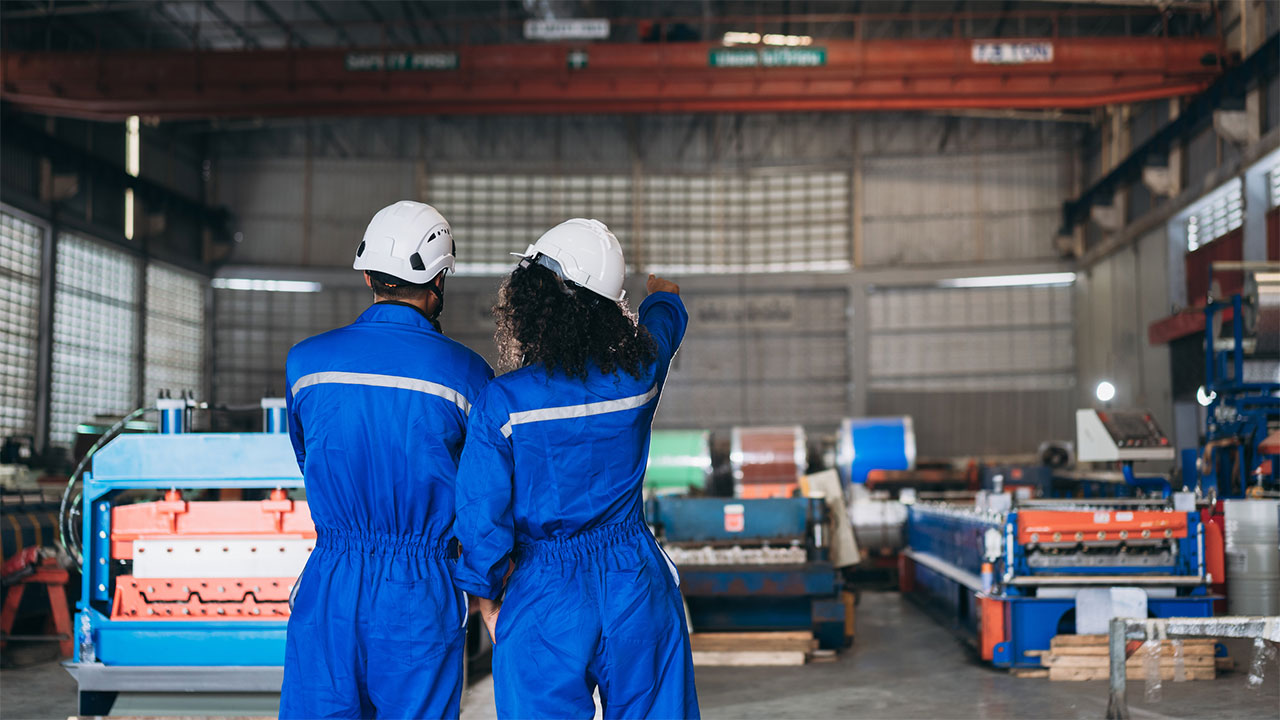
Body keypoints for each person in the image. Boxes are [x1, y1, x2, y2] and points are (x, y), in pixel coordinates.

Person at [453, 218, 699, 719]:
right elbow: (664, 327)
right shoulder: (638, 378)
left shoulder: (503, 404)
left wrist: (488, 598)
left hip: (543, 595)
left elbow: (482, 516)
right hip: (635, 581)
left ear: (533, 305)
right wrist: (664, 296)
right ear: (608, 313)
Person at [280, 201, 493, 719]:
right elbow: (481, 493)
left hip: (331, 579)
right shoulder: (467, 376)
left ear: (369, 272)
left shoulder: (306, 364)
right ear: (439, 280)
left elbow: (308, 456)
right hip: (419, 592)